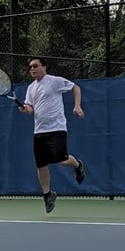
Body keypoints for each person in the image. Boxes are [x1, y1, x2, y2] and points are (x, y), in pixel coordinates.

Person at [19, 57, 85, 213]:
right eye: (30, 67)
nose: (32, 69)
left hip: (57, 128)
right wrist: (26, 109)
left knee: (60, 159)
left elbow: (75, 88)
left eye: (35, 66)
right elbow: (30, 107)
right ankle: (47, 194)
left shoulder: (54, 81)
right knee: (41, 164)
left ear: (44, 67)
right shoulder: (30, 88)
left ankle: (77, 165)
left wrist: (77, 106)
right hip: (39, 131)